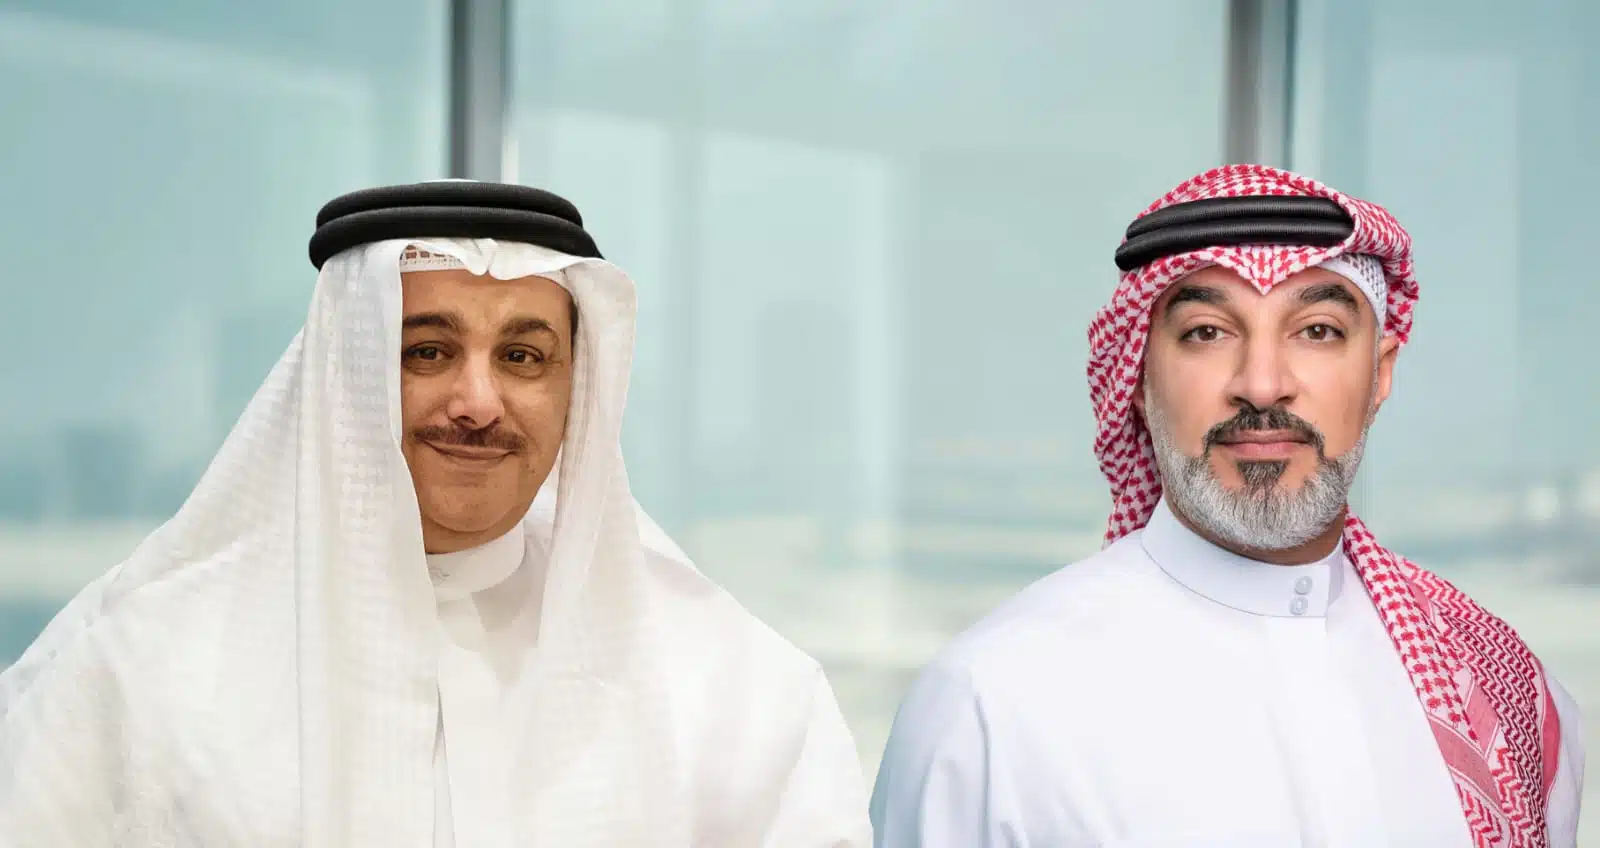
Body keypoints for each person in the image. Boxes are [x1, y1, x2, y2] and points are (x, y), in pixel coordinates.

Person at [0, 180, 872, 846]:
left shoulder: (737, 689)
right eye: (427, 351)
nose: (478, 402)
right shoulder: (142, 665)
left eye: (523, 356)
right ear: (347, 373)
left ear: (575, 390)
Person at [869, 164, 1585, 846]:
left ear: (1380, 374)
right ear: (1138, 381)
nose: (1263, 384)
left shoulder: (1506, 693)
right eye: (1207, 333)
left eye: (1318, 331)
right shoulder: (992, 703)